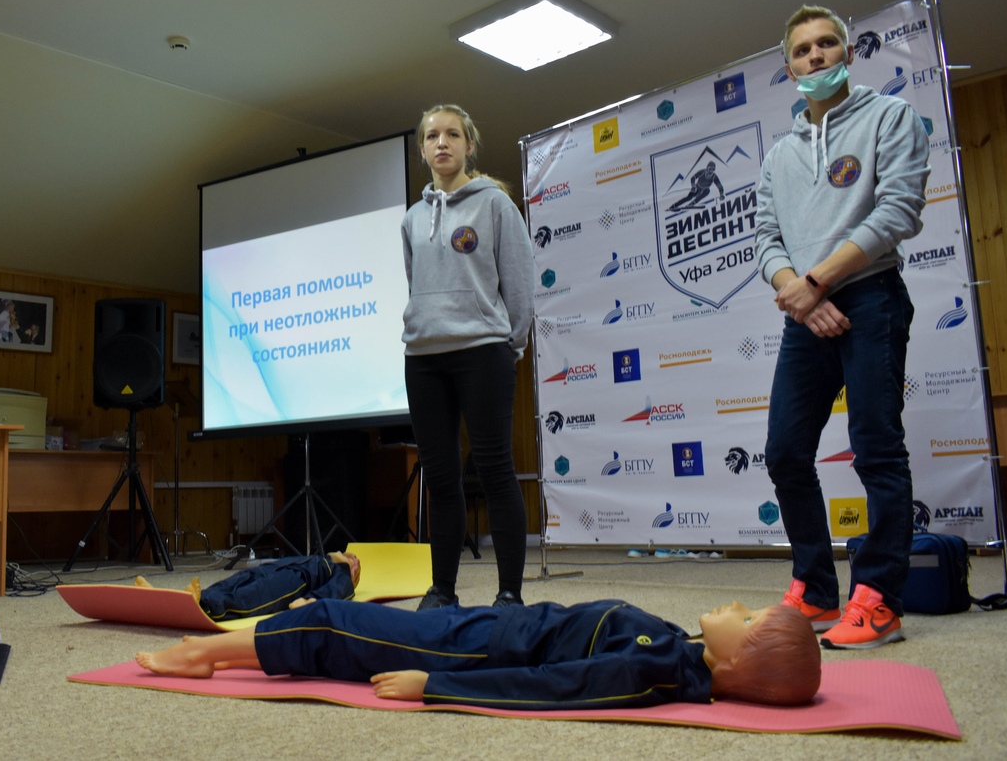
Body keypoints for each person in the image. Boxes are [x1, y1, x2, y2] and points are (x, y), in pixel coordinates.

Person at [755, 5, 929, 650]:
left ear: (848, 54)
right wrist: (803, 298)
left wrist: (817, 282)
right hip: (808, 310)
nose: (816, 56)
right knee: (785, 452)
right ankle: (816, 590)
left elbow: (898, 211)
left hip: (872, 297)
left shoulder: (890, 116)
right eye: (803, 50)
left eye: (827, 44)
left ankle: (879, 598)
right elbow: (765, 239)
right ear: (789, 66)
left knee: (876, 447)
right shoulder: (780, 155)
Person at [136, 599, 821, 709]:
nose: (737, 606)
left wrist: (436, 686)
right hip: (493, 623)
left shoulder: (653, 670)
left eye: (748, 618)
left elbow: (550, 686)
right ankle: (226, 646)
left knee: (335, 623)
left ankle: (206, 654)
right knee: (348, 630)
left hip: (478, 651)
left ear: (736, 666)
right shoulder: (680, 649)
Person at [401, 104, 535, 611]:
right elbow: (417, 286)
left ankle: (509, 594)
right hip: (424, 358)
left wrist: (510, 344)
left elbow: (519, 283)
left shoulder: (495, 205)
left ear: (469, 145)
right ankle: (443, 591)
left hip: (483, 352)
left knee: (495, 471)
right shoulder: (412, 219)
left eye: (452, 134)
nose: (442, 143)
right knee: (440, 478)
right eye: (432, 136)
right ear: (422, 150)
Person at [134, 550, 360, 621]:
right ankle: (172, 597)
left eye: (356, 563)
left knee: (249, 597)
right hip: (272, 569)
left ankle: (205, 606)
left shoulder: (338, 570)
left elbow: (338, 591)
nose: (354, 559)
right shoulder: (319, 557)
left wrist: (310, 601)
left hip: (293, 581)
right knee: (231, 582)